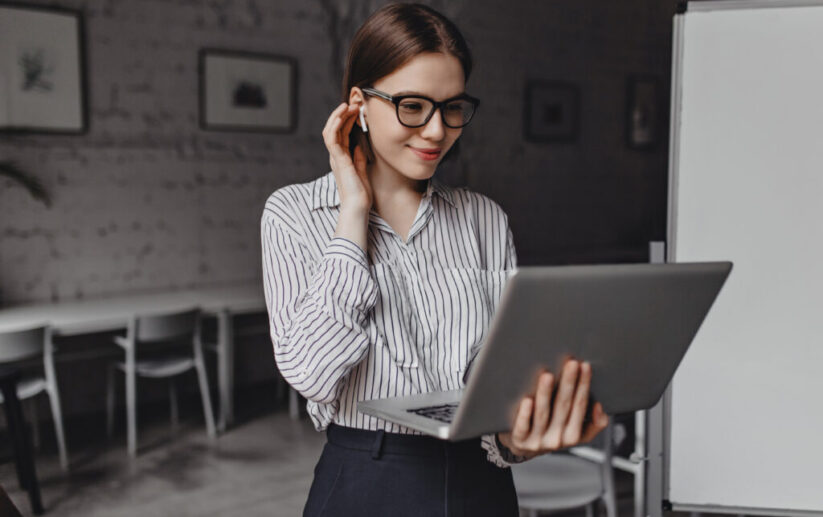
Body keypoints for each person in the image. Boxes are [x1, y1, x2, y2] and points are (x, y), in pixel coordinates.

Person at [260, 3, 609, 516]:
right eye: (412, 106)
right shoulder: (294, 213)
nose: (435, 132)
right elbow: (310, 373)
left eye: (452, 108)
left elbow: (500, 378)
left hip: (479, 481)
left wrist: (520, 440)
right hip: (362, 479)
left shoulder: (483, 219)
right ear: (358, 104)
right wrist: (353, 214)